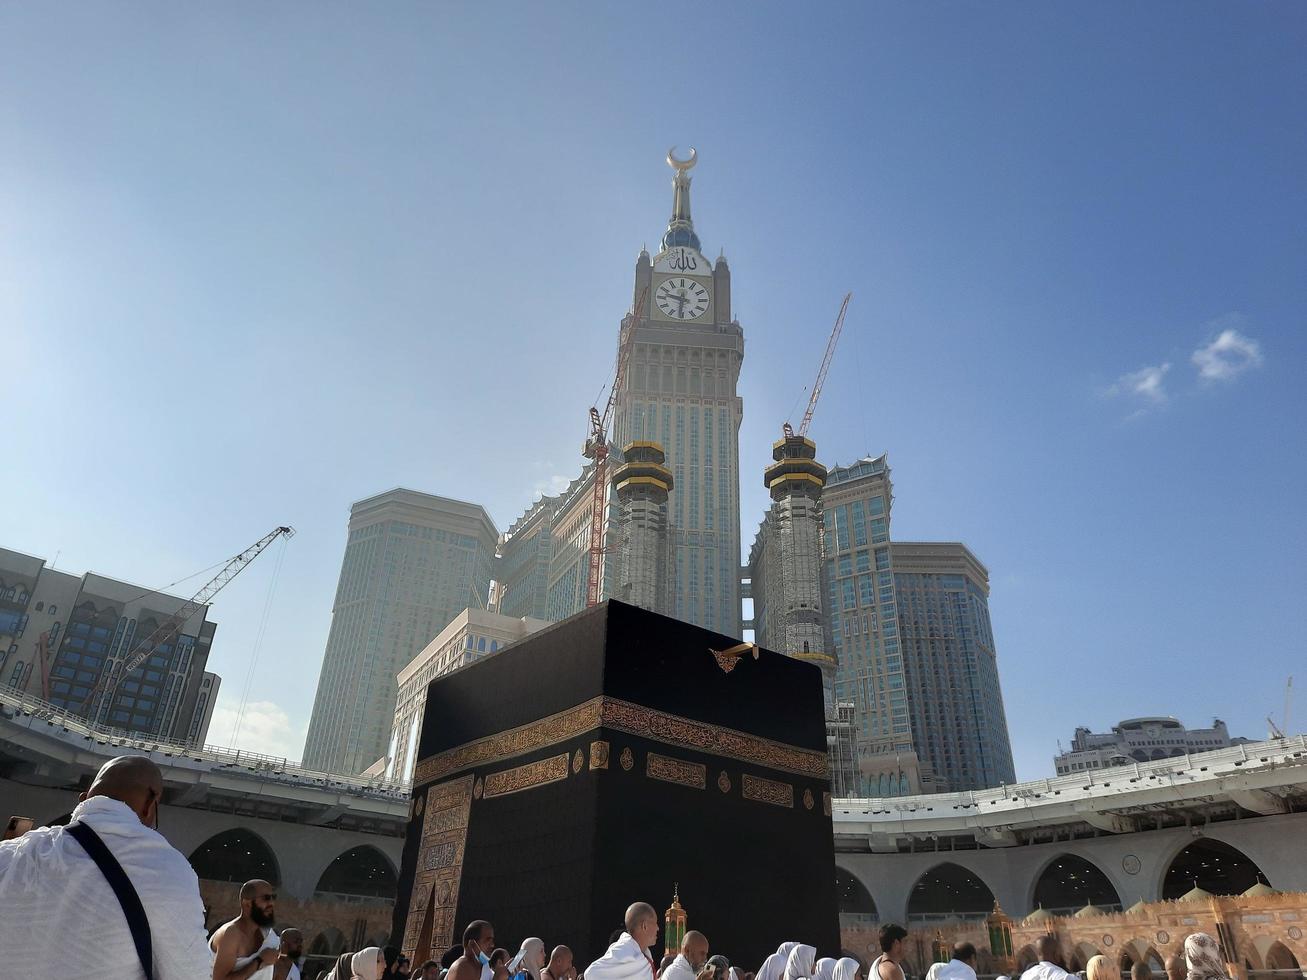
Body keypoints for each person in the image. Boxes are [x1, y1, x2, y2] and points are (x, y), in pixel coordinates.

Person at [0, 754, 213, 979]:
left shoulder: (10, 853)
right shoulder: (165, 868)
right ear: (150, 805)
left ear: (83, 799)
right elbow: (189, 973)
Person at [212, 879, 281, 980]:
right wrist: (259, 961)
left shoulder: (268, 935)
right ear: (247, 903)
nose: (271, 903)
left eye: (273, 897)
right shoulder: (231, 934)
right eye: (266, 898)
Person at [583, 902, 660, 980]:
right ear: (644, 926)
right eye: (655, 923)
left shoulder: (643, 954)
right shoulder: (624, 949)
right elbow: (591, 973)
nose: (658, 928)